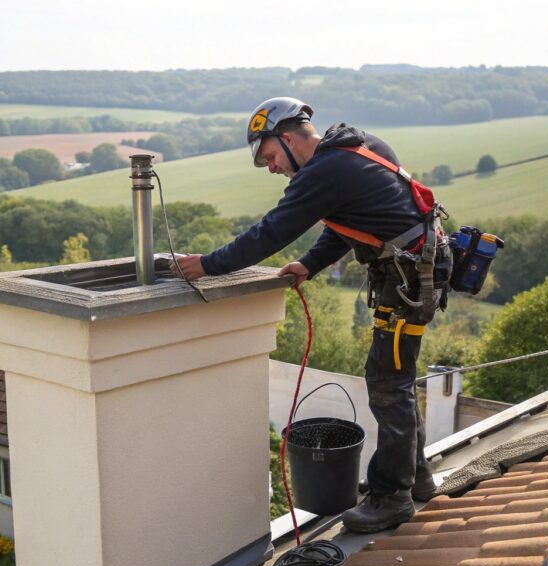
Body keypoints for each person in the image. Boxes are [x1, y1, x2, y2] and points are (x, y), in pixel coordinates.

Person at [172, 97, 451, 533]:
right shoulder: (358, 147)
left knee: (387, 384)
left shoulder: (325, 170)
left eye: (269, 156)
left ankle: (392, 497)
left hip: (407, 282)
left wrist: (207, 265)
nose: (270, 168)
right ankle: (416, 479)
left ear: (287, 138)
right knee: (393, 379)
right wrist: (310, 264)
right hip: (413, 276)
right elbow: (348, 223)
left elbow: (271, 232)